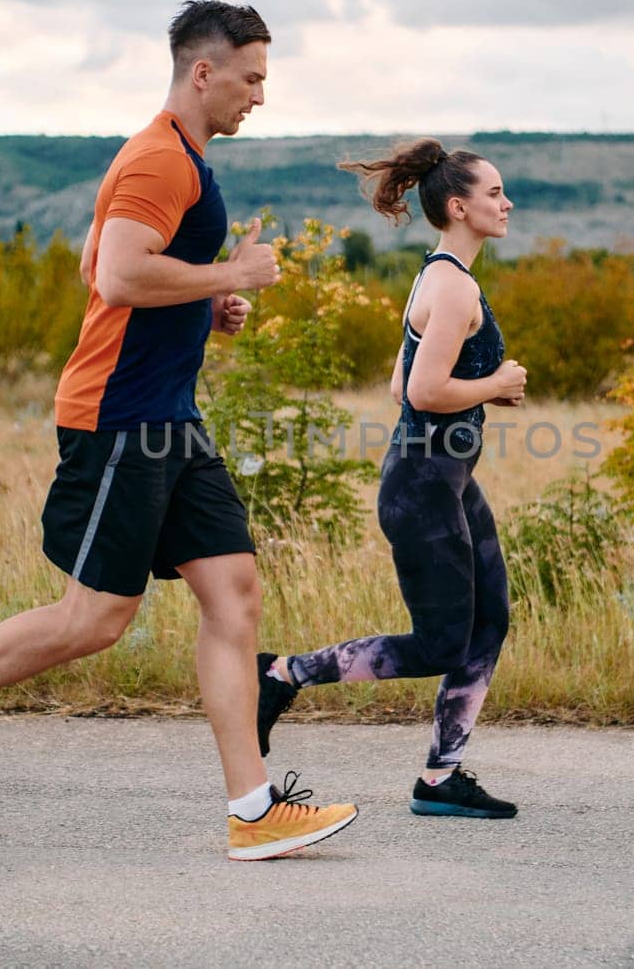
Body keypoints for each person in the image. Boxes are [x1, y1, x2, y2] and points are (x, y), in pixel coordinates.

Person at [0, 0, 357, 861]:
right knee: (92, 619)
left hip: (171, 417)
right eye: (252, 78)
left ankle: (254, 805)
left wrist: (208, 296)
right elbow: (118, 276)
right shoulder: (159, 158)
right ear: (205, 72)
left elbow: (101, 261)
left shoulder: (183, 155)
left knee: (233, 591)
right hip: (119, 417)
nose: (261, 97)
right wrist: (232, 269)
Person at [256, 139, 527, 819]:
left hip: (447, 482)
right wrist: (496, 383)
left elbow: (398, 379)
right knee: (440, 642)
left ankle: (441, 778)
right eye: (494, 193)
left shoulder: (437, 275)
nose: (506, 202)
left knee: (488, 620)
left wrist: (469, 392)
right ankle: (283, 673)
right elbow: (426, 390)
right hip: (421, 489)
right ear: (459, 206)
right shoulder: (454, 284)